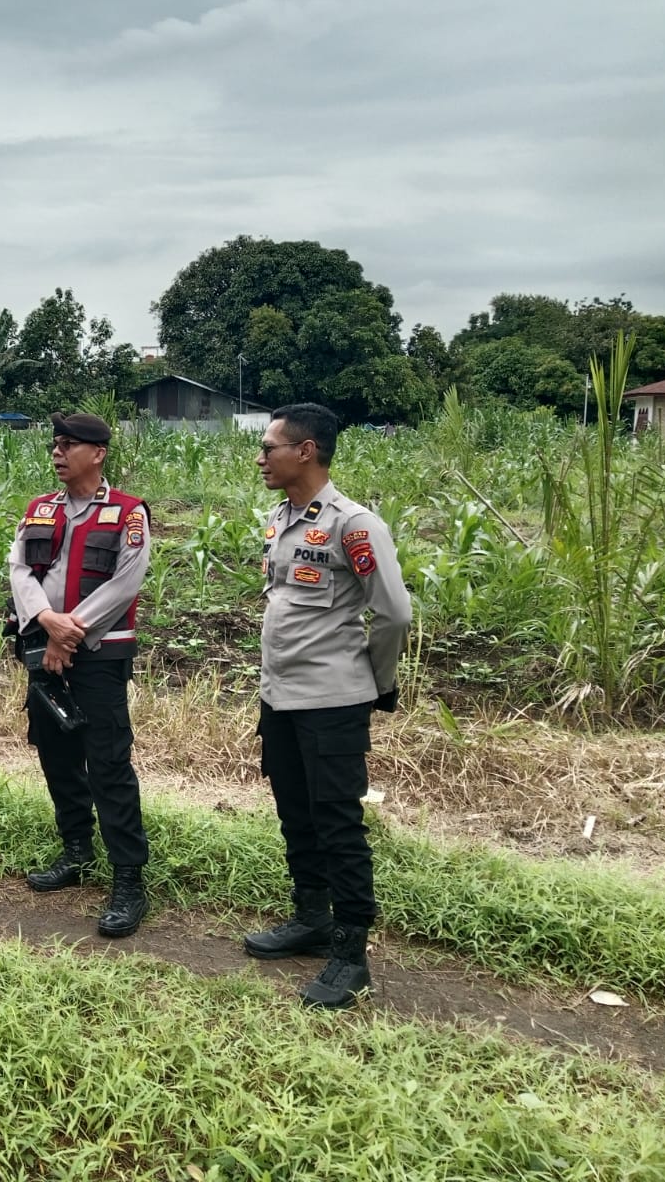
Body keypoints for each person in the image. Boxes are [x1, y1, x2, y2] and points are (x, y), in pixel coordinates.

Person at [243, 402, 412, 1009]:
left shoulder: (355, 525)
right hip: (281, 697)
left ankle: (350, 954)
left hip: (333, 701)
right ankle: (311, 918)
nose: (261, 457)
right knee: (295, 813)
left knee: (338, 825)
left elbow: (393, 613)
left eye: (270, 447)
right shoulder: (281, 518)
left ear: (305, 451)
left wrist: (378, 681)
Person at [8, 413, 153, 938]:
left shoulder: (128, 513)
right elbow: (20, 569)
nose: (57, 451)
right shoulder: (39, 509)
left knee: (108, 764)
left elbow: (127, 581)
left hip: (99, 655)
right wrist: (47, 623)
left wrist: (71, 632)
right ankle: (76, 851)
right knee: (56, 754)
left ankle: (128, 881)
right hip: (42, 648)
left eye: (70, 444)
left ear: (99, 452)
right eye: (55, 444)